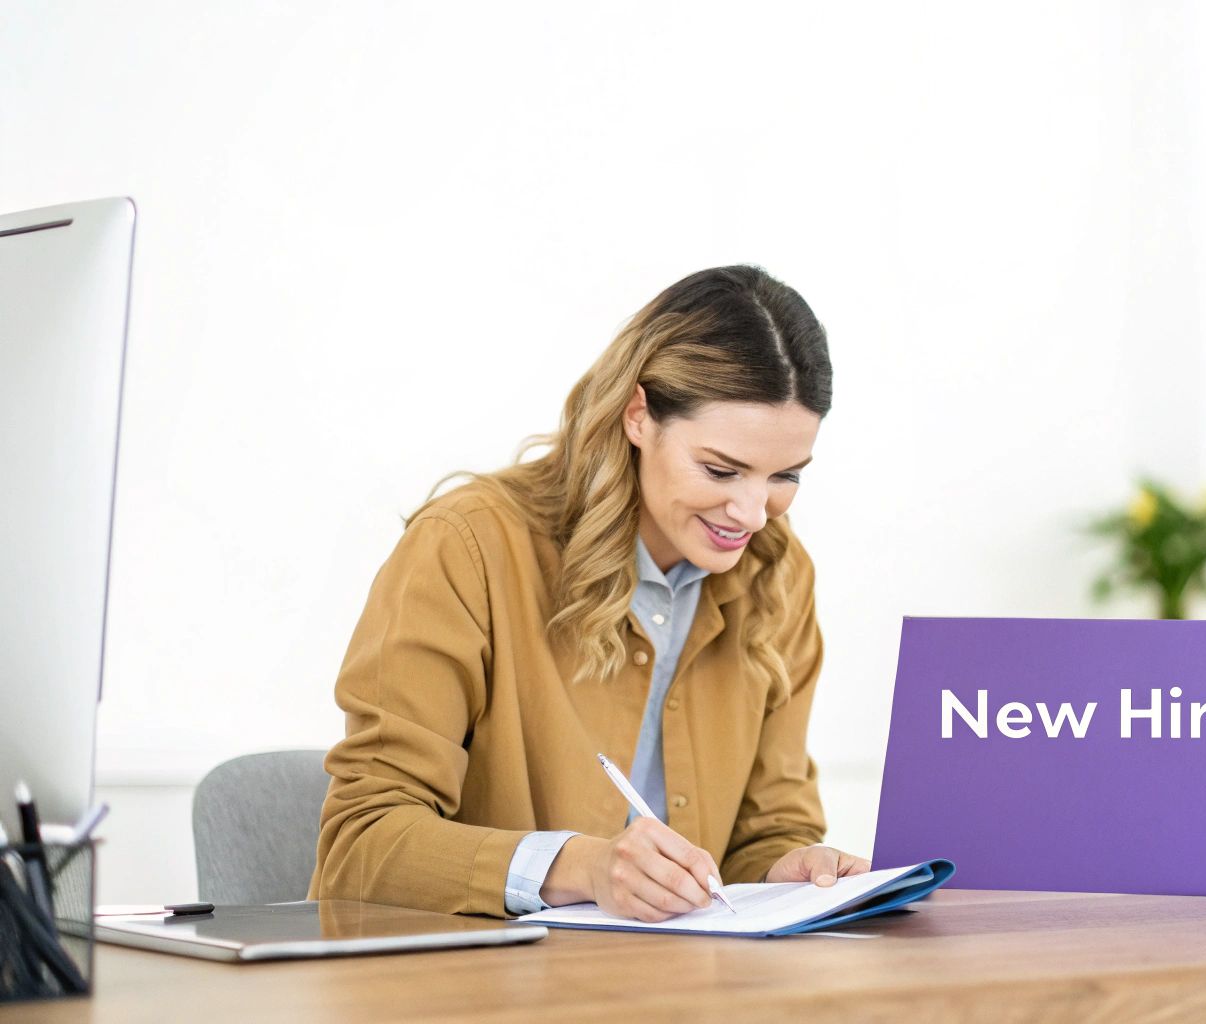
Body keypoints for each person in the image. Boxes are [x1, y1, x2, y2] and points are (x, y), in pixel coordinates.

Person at [310, 265, 869, 921]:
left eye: (785, 476)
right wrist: (584, 867)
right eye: (721, 469)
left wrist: (790, 867)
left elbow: (764, 830)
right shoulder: (467, 548)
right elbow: (361, 845)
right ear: (639, 416)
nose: (752, 513)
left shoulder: (778, 573)